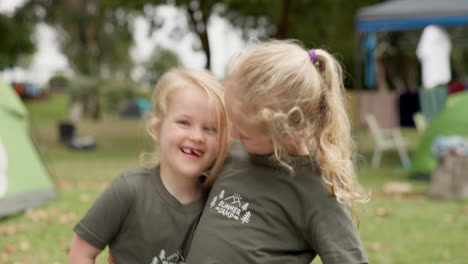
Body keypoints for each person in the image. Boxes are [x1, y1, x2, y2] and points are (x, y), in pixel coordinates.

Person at [185, 40, 369, 264]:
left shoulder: (317, 191)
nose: (232, 135)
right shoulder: (233, 156)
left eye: (244, 134)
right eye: (231, 121)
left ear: (292, 133)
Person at [68, 67, 230, 264]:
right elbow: (81, 253)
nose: (197, 136)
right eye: (184, 122)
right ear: (157, 129)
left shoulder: (218, 202)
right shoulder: (128, 190)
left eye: (210, 128)